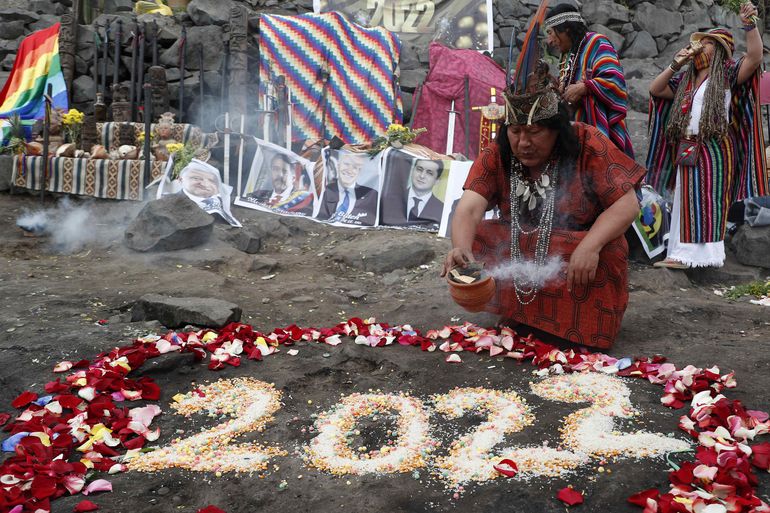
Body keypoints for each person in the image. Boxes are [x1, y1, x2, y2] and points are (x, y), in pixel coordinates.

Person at [442, 63, 645, 349]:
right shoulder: (499, 152)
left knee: (610, 249)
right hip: (521, 242)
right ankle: (518, 314)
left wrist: (590, 245)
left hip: (579, 247)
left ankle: (581, 329)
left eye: (535, 132)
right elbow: (470, 208)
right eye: (515, 131)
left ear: (557, 131)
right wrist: (460, 248)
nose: (523, 143)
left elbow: (627, 205)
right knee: (477, 237)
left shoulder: (588, 143)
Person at [647, 3, 768, 269]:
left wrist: (749, 25)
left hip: (714, 146)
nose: (700, 47)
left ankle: (699, 257)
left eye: (707, 44)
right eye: (699, 43)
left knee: (706, 199)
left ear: (720, 50)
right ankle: (679, 253)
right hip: (687, 146)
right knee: (683, 200)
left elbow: (756, 57)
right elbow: (656, 90)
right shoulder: (685, 82)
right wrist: (674, 64)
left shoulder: (727, 74)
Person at [543, 4, 634, 157]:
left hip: (599, 132)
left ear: (566, 29)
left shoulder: (596, 42)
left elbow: (614, 80)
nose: (549, 41)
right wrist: (556, 87)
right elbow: (567, 89)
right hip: (575, 133)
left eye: (551, 33)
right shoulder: (567, 55)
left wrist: (585, 87)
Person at [316, 151, 379, 224]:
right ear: (338, 165)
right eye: (346, 164)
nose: (349, 170)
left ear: (359, 171)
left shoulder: (372, 195)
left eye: (355, 167)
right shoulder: (324, 190)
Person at [179, 160, 241, 227]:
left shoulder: (229, 202)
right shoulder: (173, 202)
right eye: (196, 178)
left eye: (211, 181)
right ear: (181, 180)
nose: (204, 184)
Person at [404, 159, 445, 225]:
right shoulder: (390, 199)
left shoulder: (443, 210)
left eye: (429, 173)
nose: (422, 176)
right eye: (419, 169)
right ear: (412, 171)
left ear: (437, 181)